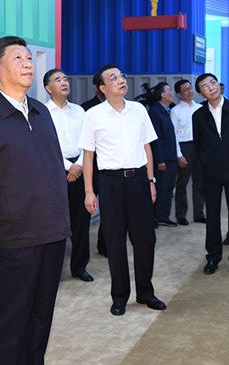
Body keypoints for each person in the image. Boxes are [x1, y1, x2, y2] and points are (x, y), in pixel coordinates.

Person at [0, 36, 71, 364]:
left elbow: (53, 169)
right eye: (17, 58)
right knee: (9, 320)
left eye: (29, 58)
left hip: (51, 233)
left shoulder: (40, 111)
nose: (27, 64)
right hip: (13, 238)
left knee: (40, 317)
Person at [78, 64, 166, 316]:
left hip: (139, 180)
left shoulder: (138, 110)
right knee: (115, 240)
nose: (121, 80)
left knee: (145, 239)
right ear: (102, 88)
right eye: (113, 78)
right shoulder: (93, 115)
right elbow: (88, 156)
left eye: (122, 76)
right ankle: (119, 297)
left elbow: (147, 146)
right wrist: (89, 191)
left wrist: (151, 180)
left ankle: (146, 292)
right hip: (111, 182)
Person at [192, 73, 229, 277]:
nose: (211, 87)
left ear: (219, 85)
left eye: (213, 83)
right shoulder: (198, 116)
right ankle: (213, 257)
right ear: (201, 94)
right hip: (210, 173)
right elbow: (198, 145)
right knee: (212, 217)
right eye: (205, 87)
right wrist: (209, 161)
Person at [44, 69, 93, 282]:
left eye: (65, 79)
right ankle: (53, 270)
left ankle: (80, 267)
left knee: (81, 221)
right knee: (55, 222)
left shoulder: (79, 111)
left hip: (80, 168)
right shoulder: (43, 112)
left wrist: (78, 165)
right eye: (58, 80)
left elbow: (88, 141)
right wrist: (68, 167)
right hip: (55, 170)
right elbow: (46, 146)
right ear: (48, 88)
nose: (64, 82)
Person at [148, 82, 185, 227]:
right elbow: (155, 139)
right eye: (169, 91)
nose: (172, 93)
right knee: (160, 188)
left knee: (169, 188)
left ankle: (163, 216)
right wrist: (160, 160)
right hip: (163, 159)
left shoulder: (168, 110)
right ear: (163, 95)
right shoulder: (155, 112)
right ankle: (154, 218)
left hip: (171, 156)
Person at [170, 79, 206, 224]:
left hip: (199, 147)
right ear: (179, 94)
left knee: (200, 182)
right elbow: (173, 135)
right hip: (184, 147)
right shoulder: (175, 111)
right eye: (185, 90)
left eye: (190, 88)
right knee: (182, 183)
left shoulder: (200, 108)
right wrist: (179, 155)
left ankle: (199, 213)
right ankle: (181, 215)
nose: (189, 92)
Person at [81, 73, 107, 257]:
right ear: (97, 88)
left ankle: (104, 245)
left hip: (108, 168)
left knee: (109, 211)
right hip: (90, 167)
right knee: (85, 211)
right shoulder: (86, 109)